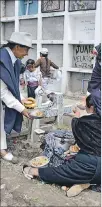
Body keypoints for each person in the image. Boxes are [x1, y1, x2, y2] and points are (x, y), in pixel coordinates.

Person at [23, 90, 101, 191]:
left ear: (92, 107)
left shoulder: (84, 123)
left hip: (89, 165)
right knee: (72, 157)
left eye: (86, 105)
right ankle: (86, 184)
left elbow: (77, 123)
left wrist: (76, 112)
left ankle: (32, 171)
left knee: (61, 170)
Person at [0, 32, 33, 163]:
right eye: (26, 50)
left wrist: (22, 98)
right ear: (17, 47)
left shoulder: (14, 60)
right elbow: (3, 92)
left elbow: (13, 83)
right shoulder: (2, 61)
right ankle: (2, 150)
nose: (27, 54)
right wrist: (22, 109)